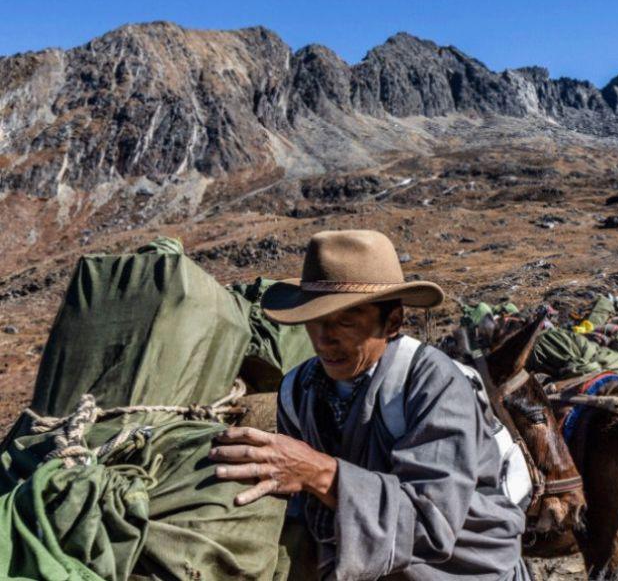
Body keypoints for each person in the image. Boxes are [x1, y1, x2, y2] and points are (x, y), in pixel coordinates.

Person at [209, 230, 529, 580]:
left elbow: (430, 520)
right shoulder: (296, 391)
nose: (323, 338)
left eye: (345, 320)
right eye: (314, 320)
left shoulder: (433, 383)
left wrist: (318, 472)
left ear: (392, 322)